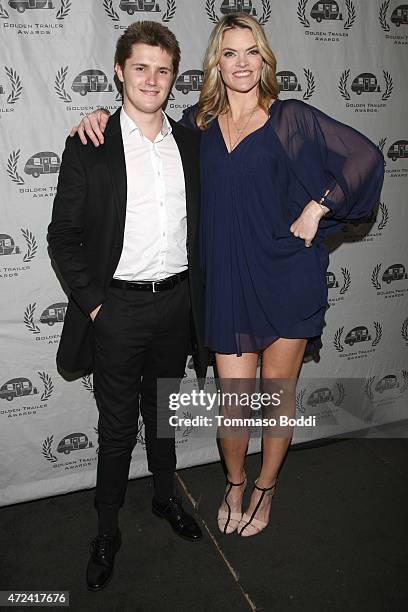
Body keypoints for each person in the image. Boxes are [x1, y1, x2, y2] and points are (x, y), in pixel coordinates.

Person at [72, 14, 384, 538]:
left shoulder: (292, 118)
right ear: (216, 61)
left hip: (287, 276)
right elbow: (144, 122)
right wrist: (100, 114)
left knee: (277, 398)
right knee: (235, 408)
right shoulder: (198, 126)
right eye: (230, 53)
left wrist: (320, 205)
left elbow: (365, 158)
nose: (241, 63)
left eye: (251, 52)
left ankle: (265, 488)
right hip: (230, 284)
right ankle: (235, 482)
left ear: (264, 59)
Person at [48, 21, 208, 592]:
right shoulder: (89, 142)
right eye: (140, 67)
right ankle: (107, 530)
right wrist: (95, 308)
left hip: (175, 307)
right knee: (116, 429)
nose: (151, 79)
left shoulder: (191, 142)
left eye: (163, 70)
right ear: (119, 72)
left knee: (163, 417)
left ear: (173, 77)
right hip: (116, 309)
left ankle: (166, 500)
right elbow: (62, 236)